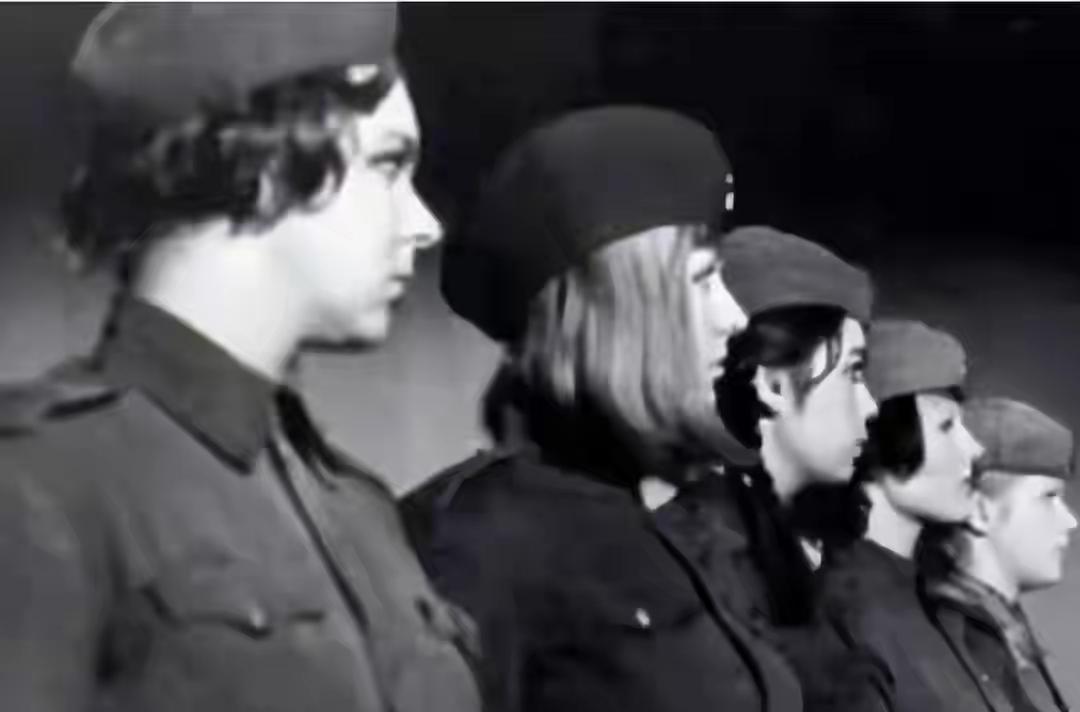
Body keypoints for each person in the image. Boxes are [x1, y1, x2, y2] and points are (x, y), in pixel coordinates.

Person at [0, 5, 480, 712]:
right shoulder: (40, 485)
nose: (424, 223)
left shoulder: (360, 509)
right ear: (264, 164)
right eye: (387, 164)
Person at [403, 106, 803, 712]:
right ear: (615, 311)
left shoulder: (664, 522)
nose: (734, 317)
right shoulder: (479, 543)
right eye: (702, 282)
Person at [657, 225, 892, 712]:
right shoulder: (700, 567)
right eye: (852, 372)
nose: (870, 405)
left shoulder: (804, 551)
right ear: (773, 386)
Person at [816, 320, 993, 712]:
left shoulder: (942, 598)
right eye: (946, 426)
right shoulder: (847, 613)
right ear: (881, 439)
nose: (975, 449)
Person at [921, 397, 1076, 712]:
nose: (1071, 520)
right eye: (1048, 497)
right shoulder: (948, 642)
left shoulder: (999, 626)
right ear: (978, 510)